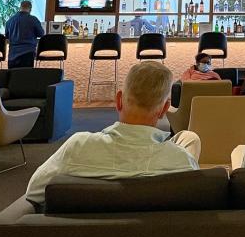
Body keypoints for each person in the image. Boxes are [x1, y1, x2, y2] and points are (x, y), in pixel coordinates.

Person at [25, 61, 200, 207]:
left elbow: (34, 192)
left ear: (118, 101)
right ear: (164, 110)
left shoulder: (78, 147)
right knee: (190, 139)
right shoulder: (181, 161)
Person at [4, 0, 44, 68]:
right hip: (28, 54)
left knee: (13, 76)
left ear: (20, 7)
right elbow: (41, 34)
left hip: (12, 55)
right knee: (26, 77)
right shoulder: (33, 19)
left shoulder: (10, 21)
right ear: (30, 9)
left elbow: (7, 36)